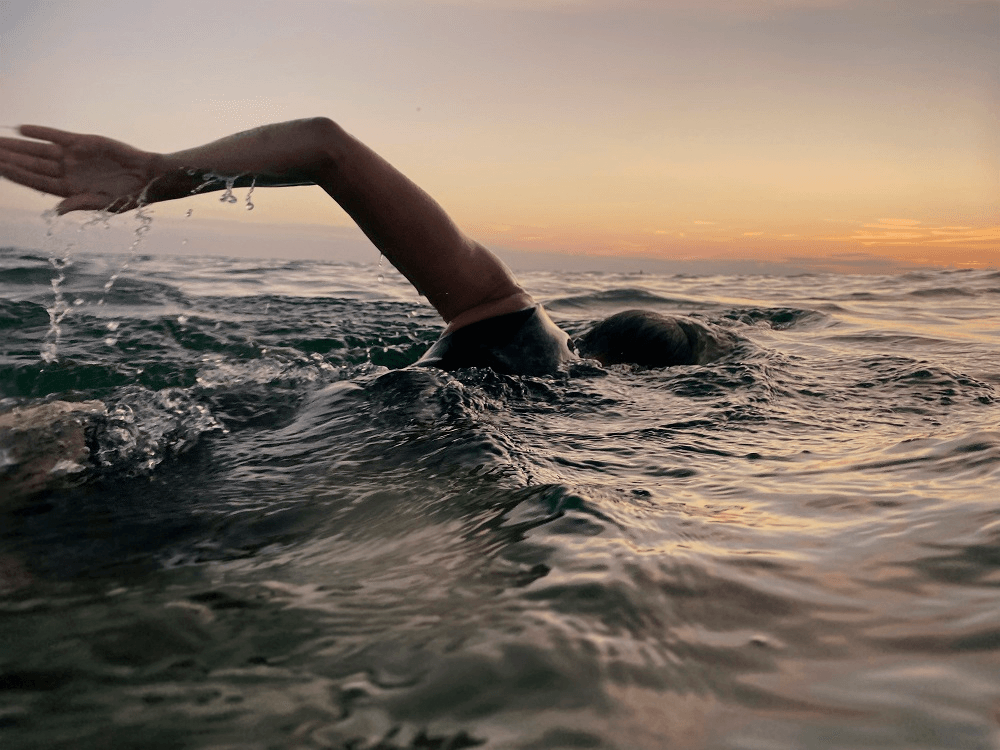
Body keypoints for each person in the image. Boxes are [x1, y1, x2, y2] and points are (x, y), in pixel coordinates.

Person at [0, 118, 724, 375]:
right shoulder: (566, 397)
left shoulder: (515, 326)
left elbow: (324, 145)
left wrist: (157, 176)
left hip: (289, 444)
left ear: (590, 331)